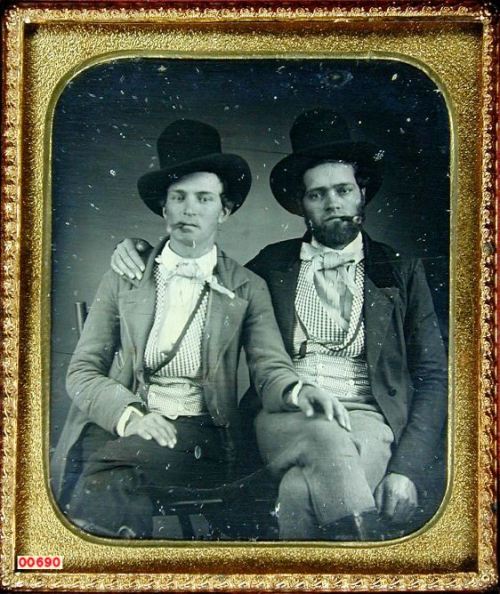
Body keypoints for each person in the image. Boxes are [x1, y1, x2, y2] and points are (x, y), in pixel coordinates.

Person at [109, 109, 448, 541]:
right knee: (327, 447)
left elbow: (434, 376)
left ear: (361, 192)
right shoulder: (274, 265)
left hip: (368, 416)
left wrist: (407, 470)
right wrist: (141, 250)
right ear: (301, 204)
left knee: (299, 490)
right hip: (285, 413)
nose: (333, 203)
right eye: (317, 194)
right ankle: (367, 569)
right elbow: (203, 281)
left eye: (343, 189)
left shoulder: (401, 271)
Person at [51, 118, 334, 539]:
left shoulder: (246, 287)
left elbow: (270, 367)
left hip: (198, 434)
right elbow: (83, 370)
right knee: (79, 476)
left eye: (204, 198)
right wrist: (132, 415)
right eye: (178, 197)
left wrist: (298, 390)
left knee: (107, 474)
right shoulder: (125, 275)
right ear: (163, 208)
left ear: (225, 209)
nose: (189, 209)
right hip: (124, 422)